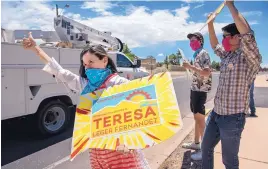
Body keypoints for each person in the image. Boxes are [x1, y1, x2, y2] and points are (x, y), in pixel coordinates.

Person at [22, 32, 150, 169]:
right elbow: (59, 71)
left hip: (120, 149)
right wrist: (36, 49)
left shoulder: (119, 83)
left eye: (91, 62)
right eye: (84, 64)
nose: (87, 67)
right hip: (97, 149)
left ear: (105, 60)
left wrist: (130, 142)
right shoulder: (85, 85)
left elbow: (140, 111)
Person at [204, 0, 262, 168]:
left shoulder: (249, 58)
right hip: (216, 114)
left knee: (229, 160)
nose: (223, 40)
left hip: (233, 118)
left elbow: (248, 35)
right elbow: (215, 45)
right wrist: (210, 24)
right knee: (206, 147)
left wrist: (230, 5)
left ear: (238, 37)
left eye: (226, 36)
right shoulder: (227, 56)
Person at [182, 32, 212, 161]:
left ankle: (205, 151)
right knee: (196, 117)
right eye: (190, 41)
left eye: (193, 40)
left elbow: (206, 72)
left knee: (200, 119)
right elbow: (197, 71)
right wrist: (189, 67)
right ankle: (196, 143)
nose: (191, 43)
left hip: (200, 90)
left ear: (200, 40)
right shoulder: (197, 54)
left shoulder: (204, 53)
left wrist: (190, 66)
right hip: (195, 88)